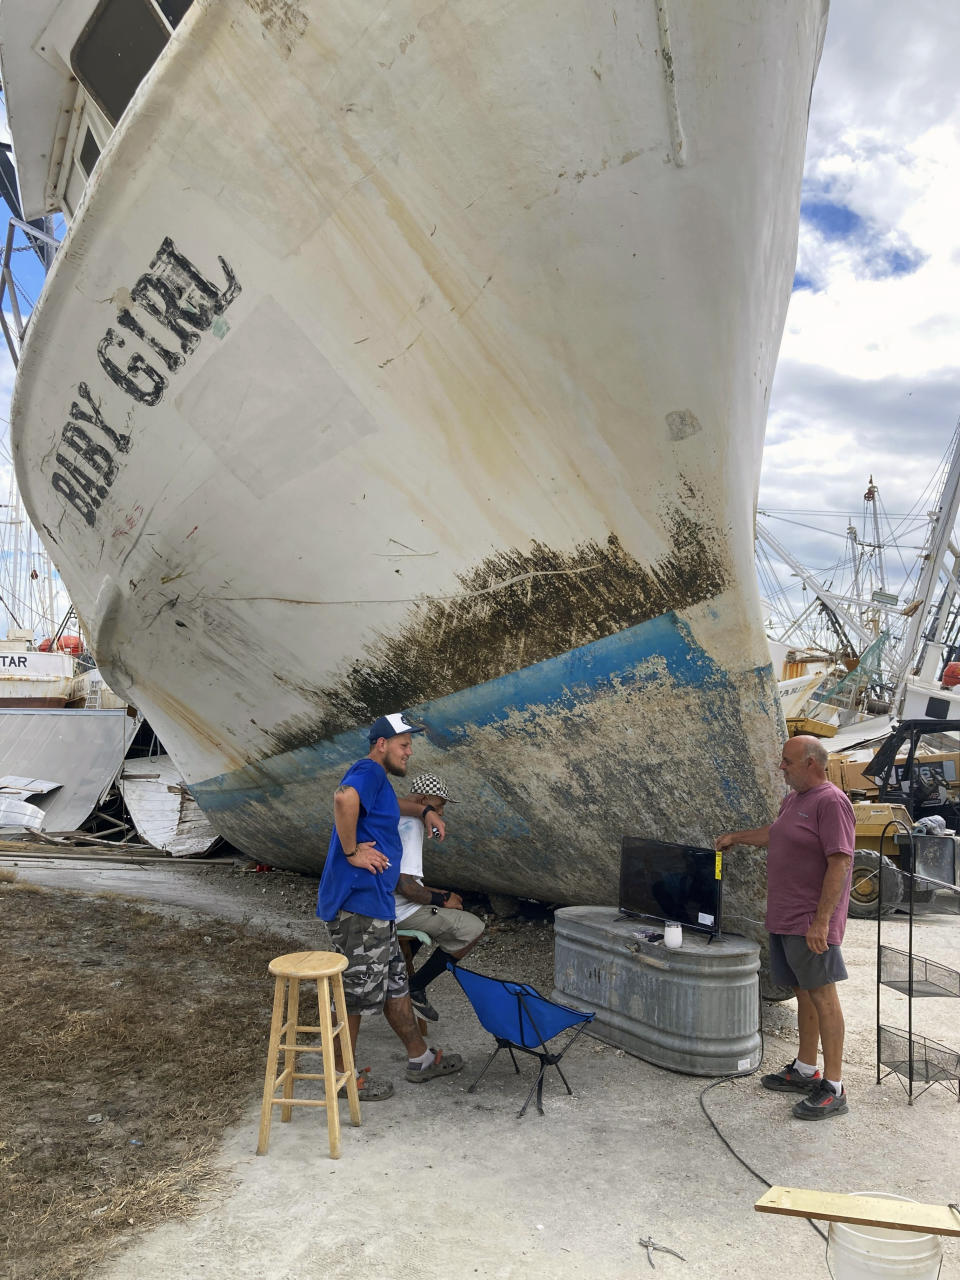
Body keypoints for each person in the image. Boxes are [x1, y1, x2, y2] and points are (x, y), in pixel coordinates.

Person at [316, 712, 463, 1100]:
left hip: (376, 907)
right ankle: (341, 1078)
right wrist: (351, 852)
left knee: (395, 985)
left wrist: (426, 810)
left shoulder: (378, 782)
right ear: (382, 744)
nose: (409, 752)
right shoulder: (367, 770)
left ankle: (421, 1059)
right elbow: (343, 797)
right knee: (355, 994)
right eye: (404, 745)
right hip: (358, 908)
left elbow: (393, 805)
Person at [716, 734, 854, 1121]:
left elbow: (841, 862)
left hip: (810, 921)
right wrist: (735, 838)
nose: (781, 767)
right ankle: (807, 1069)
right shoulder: (794, 800)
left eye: (787, 762)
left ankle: (835, 1087)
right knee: (803, 993)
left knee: (823, 997)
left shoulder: (832, 802)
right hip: (785, 916)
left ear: (811, 763)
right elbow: (775, 834)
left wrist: (822, 922)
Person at [393, 773, 485, 1021]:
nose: (442, 812)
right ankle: (415, 987)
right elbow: (406, 887)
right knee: (473, 928)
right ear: (423, 800)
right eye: (440, 805)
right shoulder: (412, 825)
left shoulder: (394, 815)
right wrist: (442, 899)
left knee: (445, 908)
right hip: (400, 911)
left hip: (384, 905)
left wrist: (441, 896)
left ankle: (399, 967)